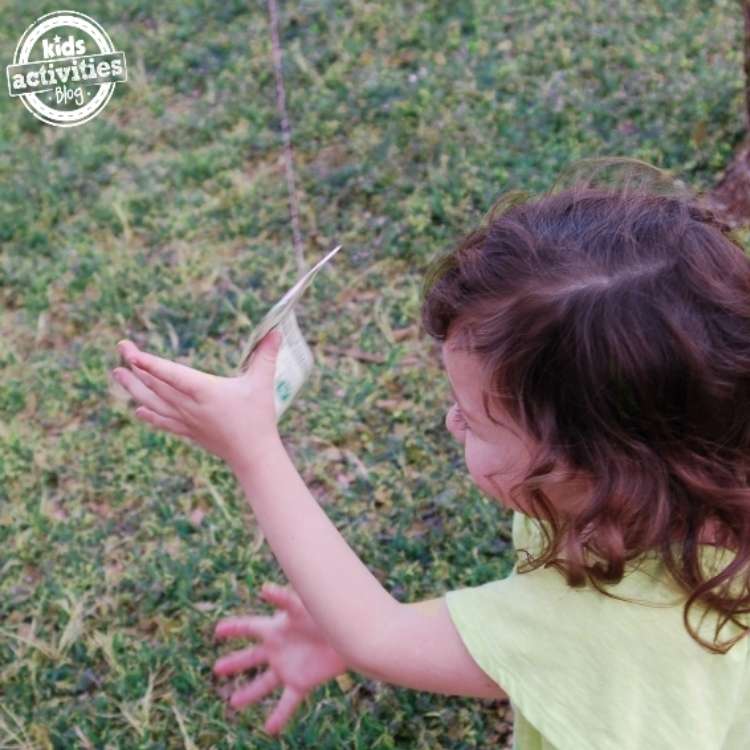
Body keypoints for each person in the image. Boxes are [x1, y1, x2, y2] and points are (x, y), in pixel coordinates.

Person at [111, 157, 750, 748]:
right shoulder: (698, 475)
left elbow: (380, 636)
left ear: (591, 464)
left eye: (473, 418)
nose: (450, 421)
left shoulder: (599, 625)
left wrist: (251, 448)